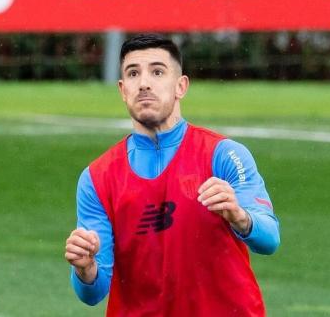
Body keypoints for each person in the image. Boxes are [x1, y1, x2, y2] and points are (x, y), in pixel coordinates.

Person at [64, 34, 280, 316]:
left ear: (181, 86)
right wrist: (85, 268)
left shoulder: (224, 155)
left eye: (157, 72)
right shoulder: (97, 178)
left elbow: (270, 239)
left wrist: (240, 216)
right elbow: (93, 292)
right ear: (122, 89)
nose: (144, 83)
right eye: (133, 73)